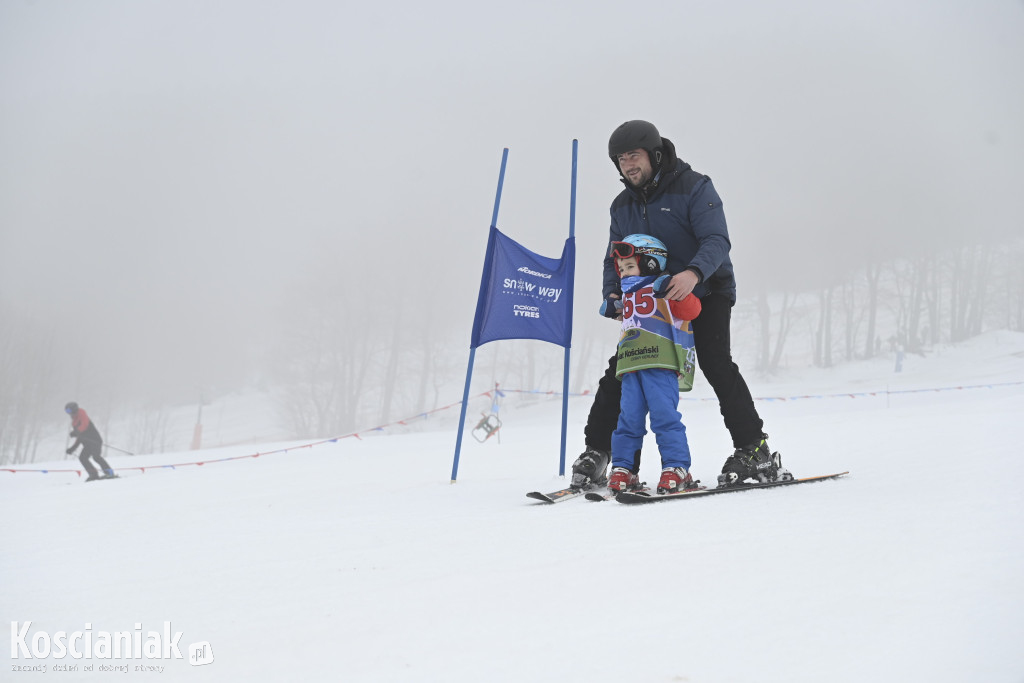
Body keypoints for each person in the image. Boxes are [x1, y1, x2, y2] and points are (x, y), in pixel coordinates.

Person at [570, 119, 792, 490]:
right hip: (652, 303)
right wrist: (614, 294)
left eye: (634, 156)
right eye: (621, 159)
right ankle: (599, 453)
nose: (628, 165)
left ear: (655, 155)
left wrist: (692, 273)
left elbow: (717, 240)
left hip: (705, 291)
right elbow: (614, 256)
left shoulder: (694, 187)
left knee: (715, 361)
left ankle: (755, 450)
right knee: (621, 371)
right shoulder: (621, 206)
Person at [601, 234, 703, 495]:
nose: (623, 274)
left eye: (629, 267)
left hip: (660, 363)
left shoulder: (664, 287)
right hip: (631, 366)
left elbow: (692, 311)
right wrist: (612, 306)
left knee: (664, 417)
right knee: (628, 419)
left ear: (651, 263)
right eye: (621, 269)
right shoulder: (626, 295)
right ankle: (623, 469)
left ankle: (675, 466)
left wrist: (676, 292)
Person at [65, 401, 115, 481]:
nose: (69, 414)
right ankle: (93, 475)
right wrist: (73, 448)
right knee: (83, 458)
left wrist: (76, 431)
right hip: (87, 443)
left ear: (74, 410)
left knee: (96, 457)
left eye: (69, 411)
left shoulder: (81, 413)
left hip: (94, 440)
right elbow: (80, 437)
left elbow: (84, 425)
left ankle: (109, 473)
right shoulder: (74, 422)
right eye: (67, 412)